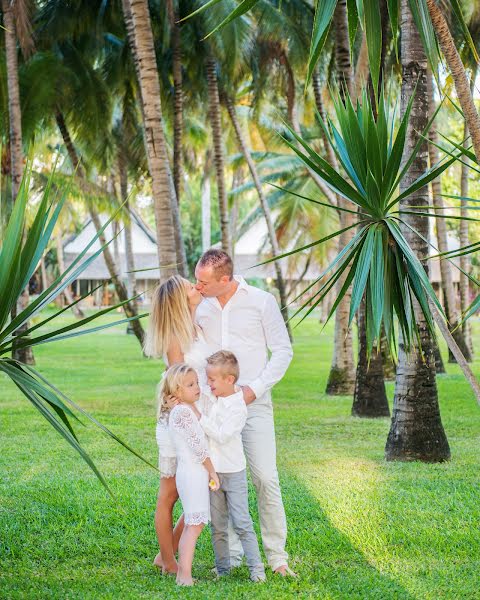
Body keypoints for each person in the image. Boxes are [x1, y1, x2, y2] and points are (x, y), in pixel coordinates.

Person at [194, 249, 295, 576]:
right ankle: (232, 556)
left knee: (265, 476)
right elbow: (193, 354)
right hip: (214, 411)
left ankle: (277, 558)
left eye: (203, 281)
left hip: (253, 404)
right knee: (222, 481)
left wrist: (255, 388)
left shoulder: (261, 301)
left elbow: (283, 351)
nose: (198, 286)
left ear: (225, 279)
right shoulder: (200, 306)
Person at [144, 275, 213, 574]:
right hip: (180, 421)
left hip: (198, 416)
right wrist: (194, 418)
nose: (196, 287)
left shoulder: (196, 326)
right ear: (178, 300)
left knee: (197, 486)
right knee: (170, 492)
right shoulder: (175, 336)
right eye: (189, 286)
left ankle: (167, 554)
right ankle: (169, 560)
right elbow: (176, 385)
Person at [191, 350, 266, 582]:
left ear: (229, 380)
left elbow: (223, 435)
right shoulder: (215, 399)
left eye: (212, 379)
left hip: (233, 474)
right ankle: (223, 569)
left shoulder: (238, 407)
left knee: (242, 522)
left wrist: (199, 416)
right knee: (218, 526)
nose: (207, 383)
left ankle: (257, 570)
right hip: (213, 473)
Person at [158, 363, 220, 586]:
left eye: (197, 383)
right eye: (190, 384)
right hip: (193, 473)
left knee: (194, 523)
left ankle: (183, 572)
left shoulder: (184, 410)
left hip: (193, 472)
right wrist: (212, 471)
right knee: (194, 525)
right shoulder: (182, 413)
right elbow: (198, 447)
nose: (197, 387)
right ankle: (183, 575)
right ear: (176, 391)